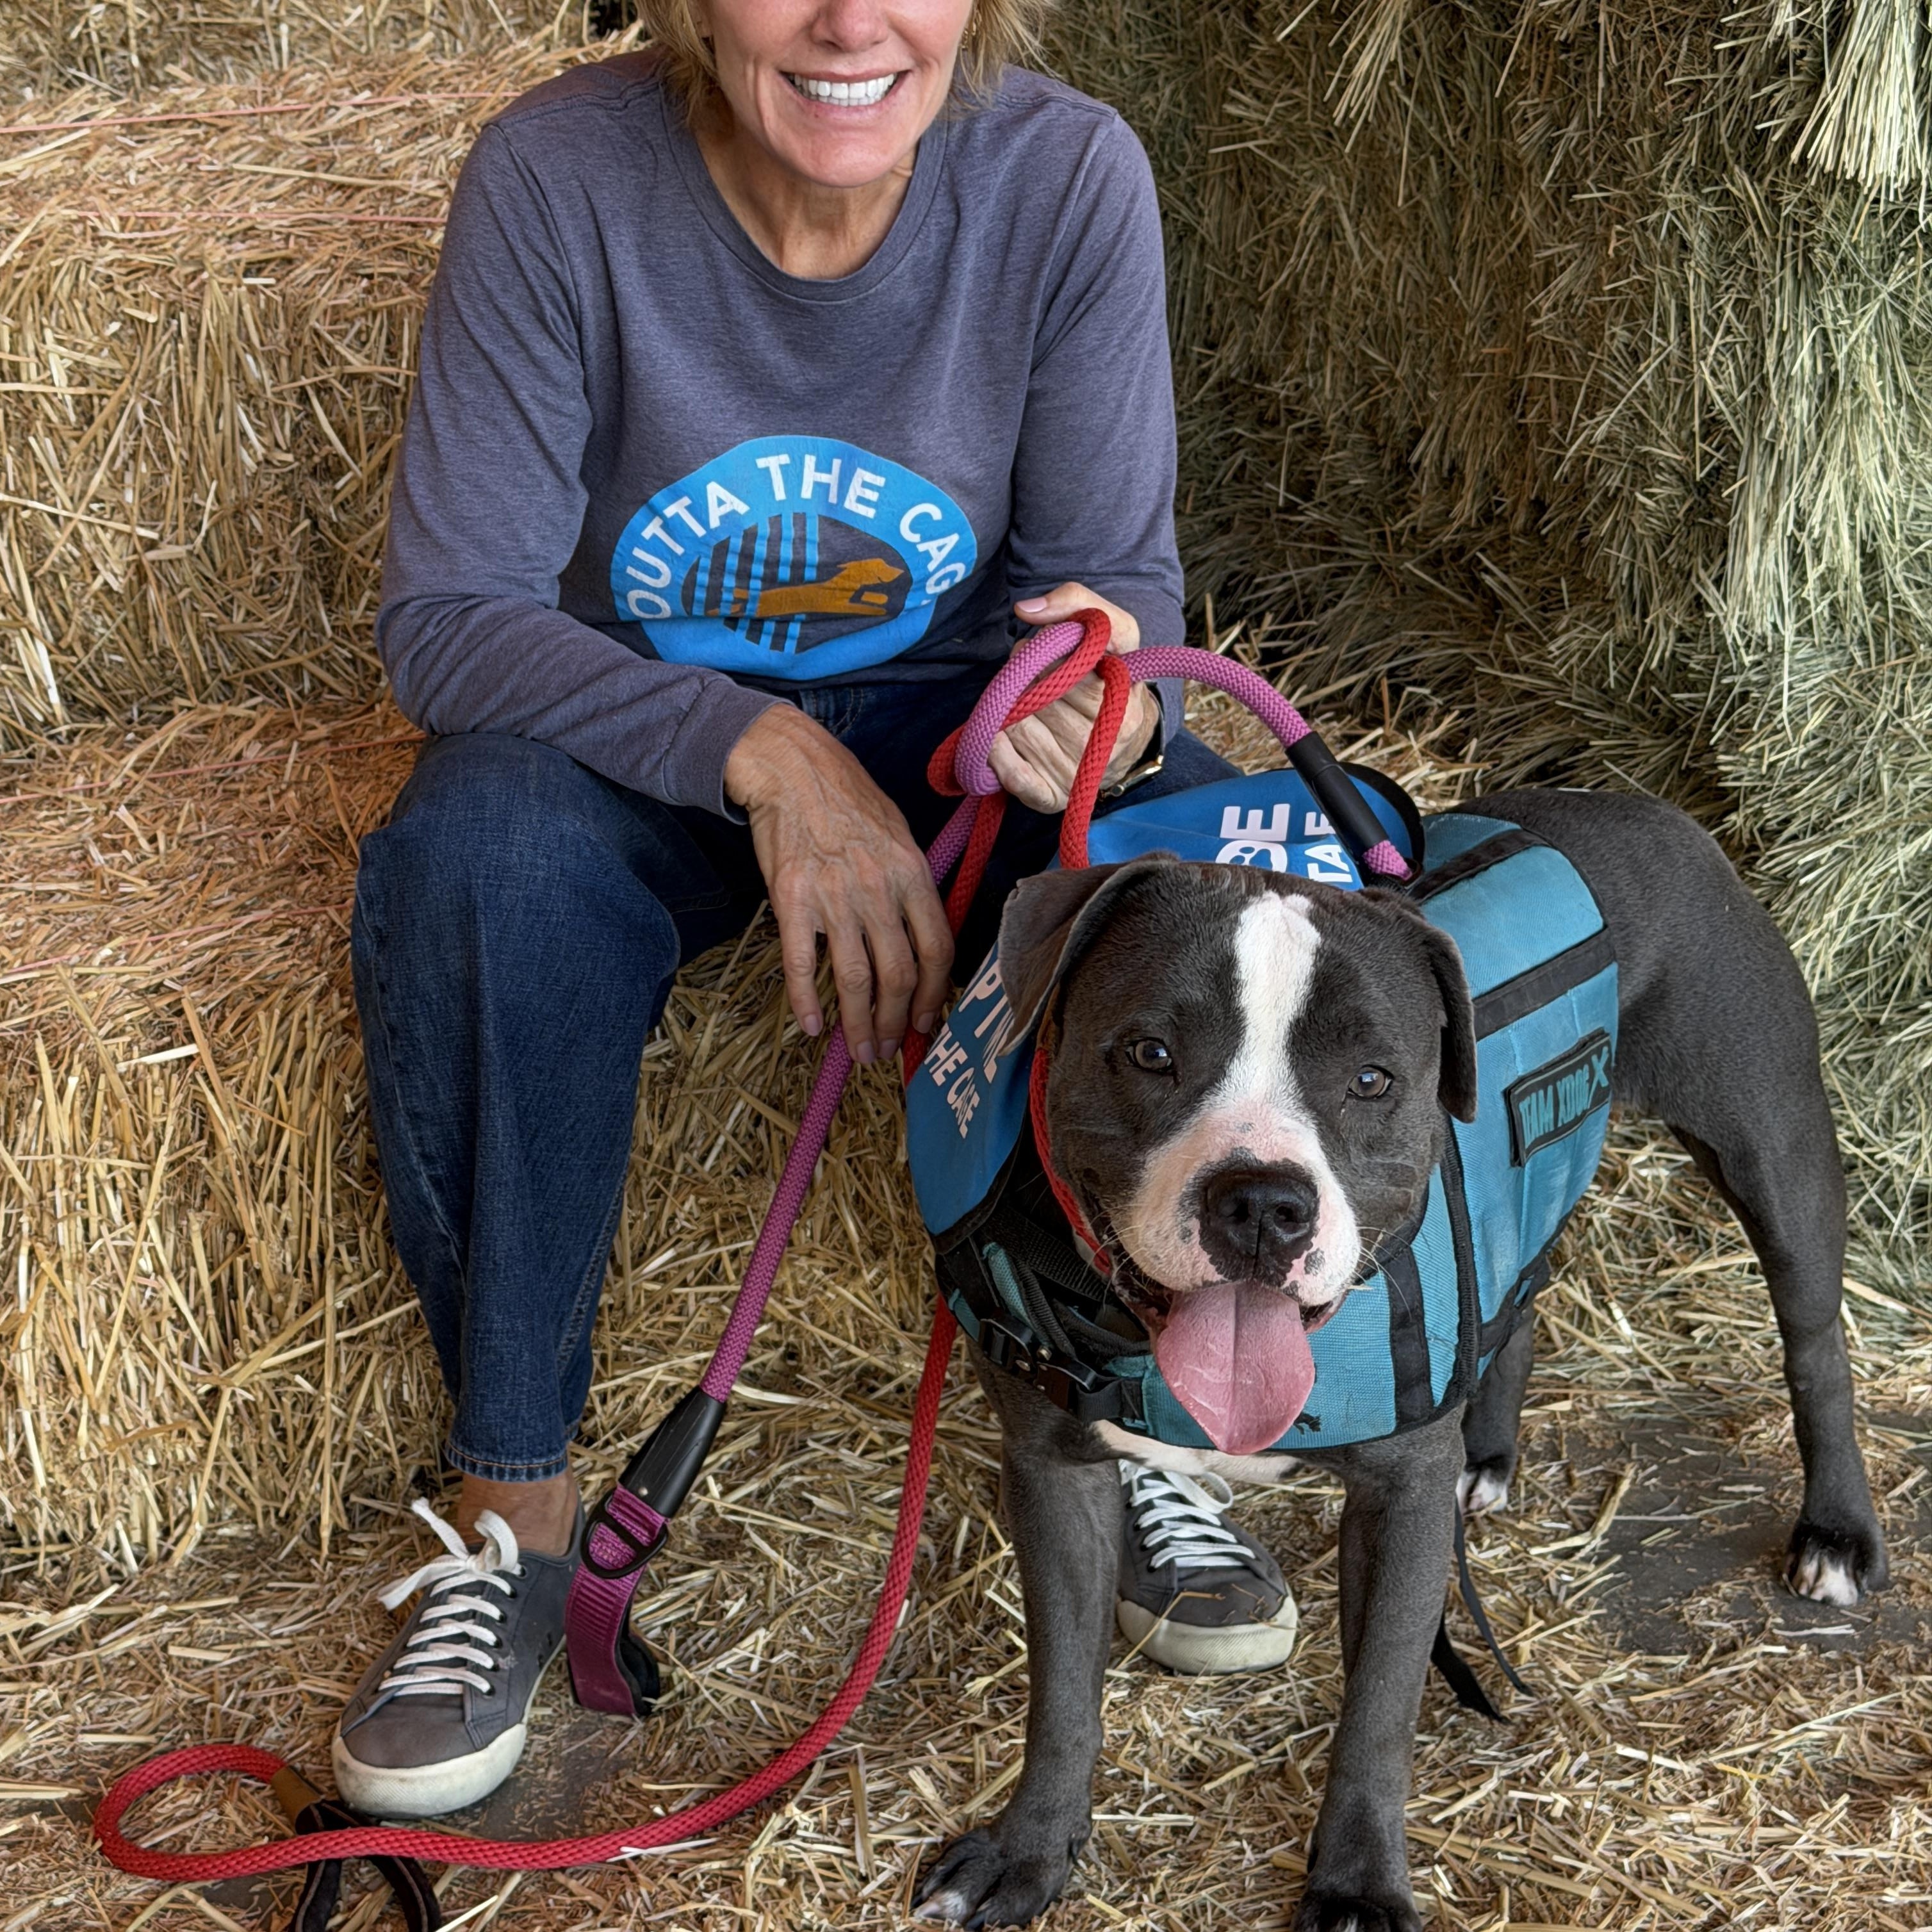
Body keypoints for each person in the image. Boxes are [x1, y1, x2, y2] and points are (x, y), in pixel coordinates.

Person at [337, 0, 1298, 1820]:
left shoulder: (1068, 176)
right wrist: (767, 753)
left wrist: (1119, 705)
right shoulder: (560, 177)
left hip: (968, 745)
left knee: (1170, 841)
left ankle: (1128, 1398)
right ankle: (511, 1510)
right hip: (646, 747)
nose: (853, 22)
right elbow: (450, 616)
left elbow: (1121, 593)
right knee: (478, 852)